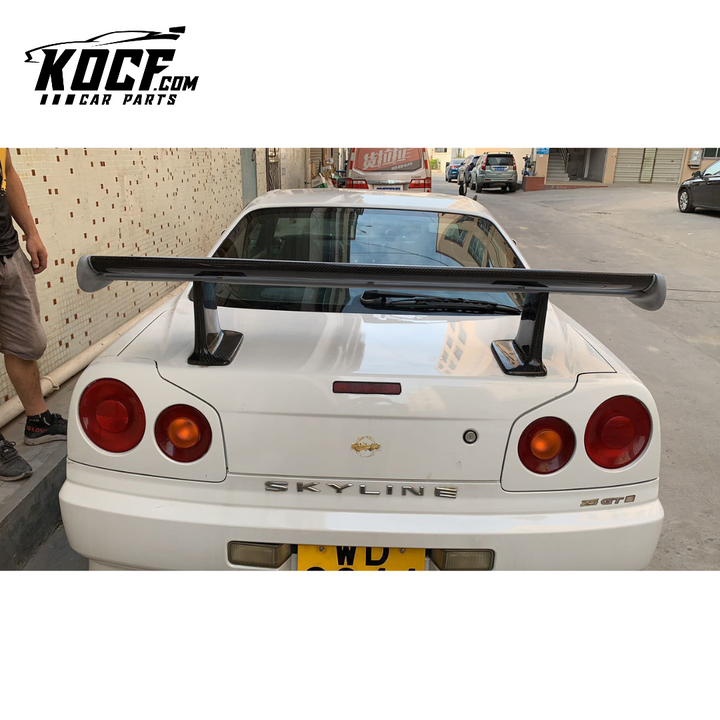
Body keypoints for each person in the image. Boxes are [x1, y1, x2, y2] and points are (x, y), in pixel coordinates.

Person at [0, 148, 67, 481]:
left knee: (27, 342)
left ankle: (38, 422)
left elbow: (8, 172)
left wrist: (32, 232)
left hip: (8, 249)